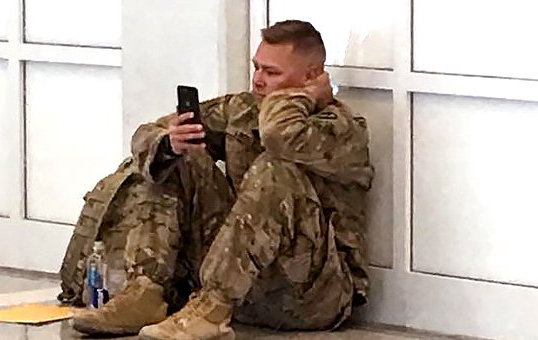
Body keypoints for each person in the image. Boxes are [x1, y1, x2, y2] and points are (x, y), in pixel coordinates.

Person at [70, 19, 374, 340]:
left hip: (311, 294)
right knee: (180, 153)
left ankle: (212, 310)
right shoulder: (242, 110)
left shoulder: (342, 129)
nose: (257, 80)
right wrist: (169, 143)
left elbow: (279, 136)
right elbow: (148, 132)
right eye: (257, 68)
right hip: (245, 285)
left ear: (312, 76)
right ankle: (146, 291)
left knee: (276, 169)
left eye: (272, 73)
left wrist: (304, 98)